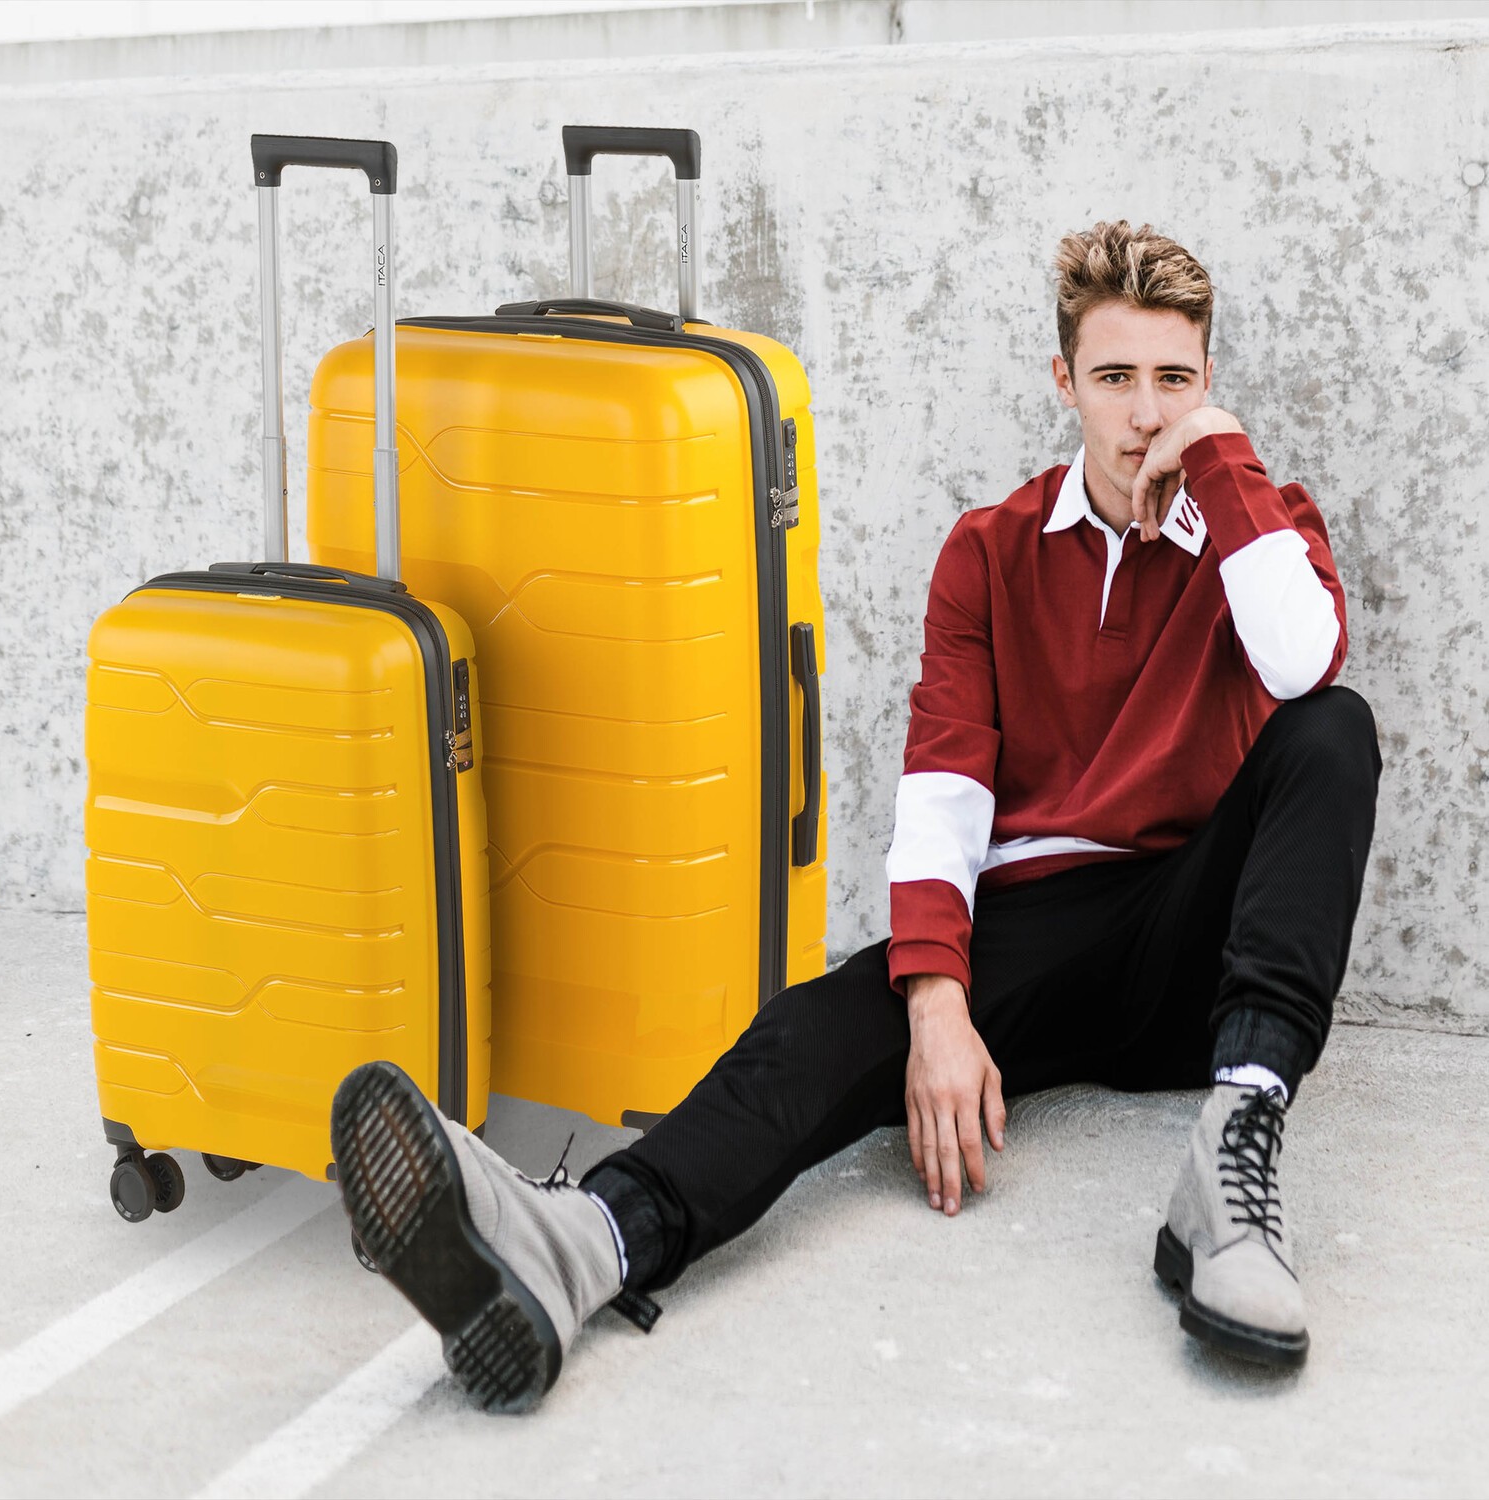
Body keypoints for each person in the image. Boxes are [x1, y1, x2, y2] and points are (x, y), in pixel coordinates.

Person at [329, 220, 1381, 1411]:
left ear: (1209, 382)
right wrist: (936, 999)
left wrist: (1220, 459)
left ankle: (1232, 1171)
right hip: (1037, 933)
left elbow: (1302, 666)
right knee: (815, 1030)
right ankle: (582, 1247)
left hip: (1196, 937)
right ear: (1065, 382)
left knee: (1333, 729)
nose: (1147, 414)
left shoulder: (1259, 523)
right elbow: (946, 782)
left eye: (1176, 380)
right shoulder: (989, 552)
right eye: (1116, 377)